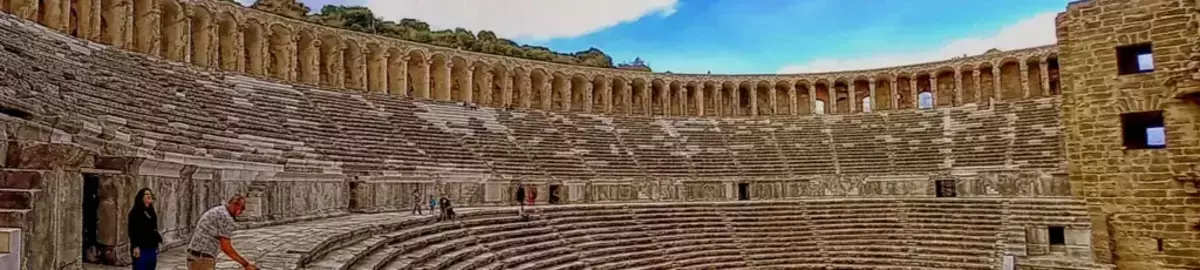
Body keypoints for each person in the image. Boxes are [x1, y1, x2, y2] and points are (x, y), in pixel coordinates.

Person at [187, 196, 256, 270]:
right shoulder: (225, 217)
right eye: (242, 208)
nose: (242, 212)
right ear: (235, 204)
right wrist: (245, 264)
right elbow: (226, 247)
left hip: (195, 256)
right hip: (202, 259)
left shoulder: (219, 210)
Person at [128, 188, 162, 270]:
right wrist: (135, 246)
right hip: (141, 247)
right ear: (141, 197)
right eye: (146, 194)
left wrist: (157, 244)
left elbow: (154, 228)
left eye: (150, 194)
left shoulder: (151, 211)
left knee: (151, 266)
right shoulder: (135, 212)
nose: (149, 196)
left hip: (151, 246)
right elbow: (132, 230)